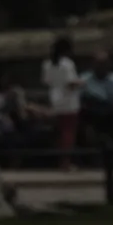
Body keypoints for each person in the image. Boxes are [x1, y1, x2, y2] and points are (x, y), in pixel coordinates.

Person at [40, 36, 83, 170]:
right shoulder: (67, 64)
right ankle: (66, 162)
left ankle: (61, 160)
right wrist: (81, 82)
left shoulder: (47, 64)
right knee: (68, 133)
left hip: (55, 99)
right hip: (69, 101)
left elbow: (45, 81)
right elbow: (70, 83)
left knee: (60, 132)